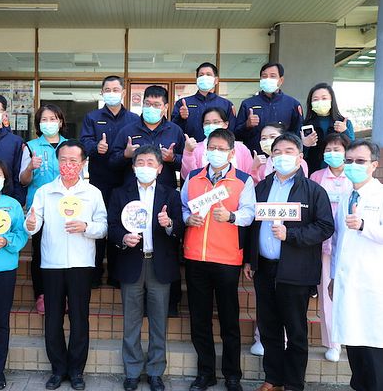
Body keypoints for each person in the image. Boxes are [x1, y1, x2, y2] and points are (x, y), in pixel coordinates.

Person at [244, 133, 334, 391]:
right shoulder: (262, 187)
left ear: (300, 156)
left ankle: (293, 383)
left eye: (289, 151)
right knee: (268, 327)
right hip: (264, 268)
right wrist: (250, 259)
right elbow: (252, 225)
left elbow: (325, 227)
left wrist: (291, 235)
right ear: (271, 157)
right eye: (277, 152)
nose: (282, 156)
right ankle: (273, 379)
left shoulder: (313, 191)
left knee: (295, 331)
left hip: (296, 270)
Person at [24, 140, 107, 391]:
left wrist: (86, 227)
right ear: (57, 161)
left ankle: (76, 371)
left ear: (83, 163)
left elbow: (103, 227)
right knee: (53, 319)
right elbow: (33, 224)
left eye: (73, 161)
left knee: (80, 318)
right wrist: (30, 224)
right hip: (52, 263)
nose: (68, 165)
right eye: (63, 160)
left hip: (81, 263)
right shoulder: (45, 192)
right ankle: (58, 369)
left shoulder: (92, 193)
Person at [181, 128, 255, 391]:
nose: (215, 152)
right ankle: (205, 373)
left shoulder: (243, 180)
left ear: (232, 153)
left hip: (226, 258)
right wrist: (187, 219)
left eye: (221, 149)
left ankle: (232, 375)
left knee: (229, 321)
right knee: (199, 320)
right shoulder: (193, 177)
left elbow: (250, 213)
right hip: (196, 256)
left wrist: (231, 217)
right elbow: (182, 207)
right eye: (212, 147)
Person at [108, 145, 184, 391]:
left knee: (158, 322)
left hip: (159, 264)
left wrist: (169, 223)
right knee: (131, 322)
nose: (145, 167)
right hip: (132, 262)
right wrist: (123, 238)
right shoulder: (121, 193)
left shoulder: (170, 194)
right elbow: (112, 226)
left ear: (160, 168)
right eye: (140, 162)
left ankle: (155, 371)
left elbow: (180, 228)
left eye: (151, 163)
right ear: (133, 167)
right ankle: (132, 371)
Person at [329, 139, 383, 391]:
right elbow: (338, 241)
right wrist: (333, 277)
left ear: (374, 165)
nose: (353, 165)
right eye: (349, 161)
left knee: (375, 346)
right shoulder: (346, 196)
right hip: (348, 281)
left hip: (373, 284)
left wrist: (364, 225)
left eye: (360, 161)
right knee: (355, 346)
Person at [80, 75, 141, 288]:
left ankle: (116, 275)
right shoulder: (92, 117)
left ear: (123, 92)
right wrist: (95, 147)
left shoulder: (134, 119)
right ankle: (94, 275)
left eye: (116, 89)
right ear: (102, 92)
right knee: (98, 226)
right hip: (100, 182)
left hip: (125, 182)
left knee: (120, 226)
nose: (112, 93)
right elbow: (84, 142)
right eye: (108, 90)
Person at [19, 104, 67, 314]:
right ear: (38, 124)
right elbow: (23, 180)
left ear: (60, 122)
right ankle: (41, 295)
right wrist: (30, 167)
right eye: (44, 120)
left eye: (53, 119)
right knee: (40, 252)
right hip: (38, 209)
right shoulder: (30, 147)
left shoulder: (70, 146)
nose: (49, 123)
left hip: (65, 208)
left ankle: (62, 295)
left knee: (62, 251)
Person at [309, 133, 352, 362]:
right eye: (328, 149)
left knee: (347, 294)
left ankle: (348, 339)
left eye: (337, 149)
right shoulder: (316, 177)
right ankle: (333, 342)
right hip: (323, 244)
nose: (332, 153)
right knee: (327, 295)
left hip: (349, 245)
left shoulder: (354, 176)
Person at [110, 85, 184, 190]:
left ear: (166, 107)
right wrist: (125, 155)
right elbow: (112, 162)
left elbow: (186, 164)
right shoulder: (128, 130)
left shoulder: (175, 131)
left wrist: (173, 158)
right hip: (132, 191)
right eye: (147, 104)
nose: (151, 108)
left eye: (156, 105)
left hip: (165, 192)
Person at [0, 160, 28, 390]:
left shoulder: (12, 205)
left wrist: (7, 240)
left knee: (0, 321)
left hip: (4, 268)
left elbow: (21, 233)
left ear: (4, 178)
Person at [234, 63, 303, 155]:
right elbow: (236, 135)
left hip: (282, 157)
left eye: (272, 76)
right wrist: (247, 125)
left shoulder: (292, 104)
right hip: (255, 156)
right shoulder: (248, 104)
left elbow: (298, 135)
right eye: (264, 76)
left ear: (281, 80)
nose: (268, 79)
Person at [181, 107, 253, 180]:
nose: (211, 125)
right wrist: (188, 153)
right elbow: (188, 177)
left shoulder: (241, 148)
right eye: (207, 123)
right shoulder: (195, 149)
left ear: (226, 124)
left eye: (216, 122)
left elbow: (248, 177)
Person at [171, 62, 236, 142]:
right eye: (201, 75)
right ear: (197, 80)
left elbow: (232, 131)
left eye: (208, 74)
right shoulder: (183, 103)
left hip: (217, 147)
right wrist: (181, 118)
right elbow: (174, 130)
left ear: (216, 80)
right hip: (191, 147)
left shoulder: (226, 104)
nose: (204, 77)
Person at [302, 83, 355, 174]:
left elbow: (353, 149)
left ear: (331, 100)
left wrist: (345, 131)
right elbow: (298, 154)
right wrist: (305, 145)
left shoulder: (344, 123)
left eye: (324, 98)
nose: (320, 102)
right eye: (315, 99)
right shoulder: (305, 125)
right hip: (313, 172)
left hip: (340, 173)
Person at [0, 95, 25, 205]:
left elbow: (18, 176)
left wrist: (17, 203)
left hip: (8, 203)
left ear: (4, 114)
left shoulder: (15, 142)